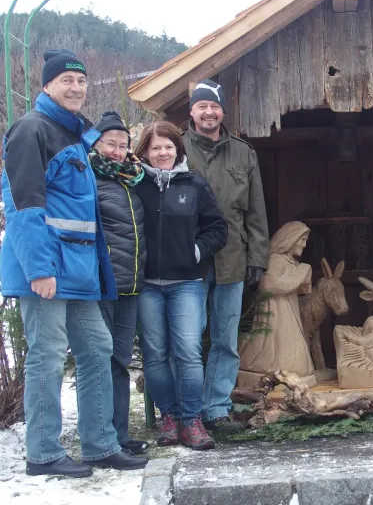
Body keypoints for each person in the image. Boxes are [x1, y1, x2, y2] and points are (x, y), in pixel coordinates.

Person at [1, 49, 148, 476]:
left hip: (78, 271)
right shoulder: (32, 130)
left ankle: (100, 444)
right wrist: (39, 270)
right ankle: (43, 453)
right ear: (47, 85)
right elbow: (23, 203)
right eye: (66, 80)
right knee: (46, 356)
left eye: (81, 81)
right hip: (47, 271)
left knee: (97, 348)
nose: (76, 88)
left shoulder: (73, 135)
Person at [134, 120, 228, 450]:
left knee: (188, 351)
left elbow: (217, 228)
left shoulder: (194, 186)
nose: (163, 153)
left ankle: (192, 421)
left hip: (186, 283)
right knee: (156, 355)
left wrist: (196, 251)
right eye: (156, 147)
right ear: (145, 150)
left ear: (179, 150)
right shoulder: (135, 185)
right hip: (146, 285)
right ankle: (170, 418)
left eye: (169, 147)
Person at [181, 80, 269, 431]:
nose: (209, 112)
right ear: (192, 111)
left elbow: (256, 210)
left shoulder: (243, 152)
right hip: (189, 260)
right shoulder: (178, 147)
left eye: (214, 106)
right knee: (188, 337)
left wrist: (258, 257)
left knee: (225, 338)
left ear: (222, 112)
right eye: (202, 106)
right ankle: (185, 412)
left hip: (233, 258)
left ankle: (216, 409)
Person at [89, 111, 149, 456]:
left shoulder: (132, 180)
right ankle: (100, 437)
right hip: (100, 284)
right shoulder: (87, 177)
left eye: (122, 144)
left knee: (119, 361)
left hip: (131, 285)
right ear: (95, 144)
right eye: (109, 143)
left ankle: (119, 436)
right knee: (98, 360)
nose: (116, 150)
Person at [239, 221, 314, 378]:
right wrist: (300, 274)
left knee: (298, 363)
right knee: (290, 362)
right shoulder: (274, 260)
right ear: (290, 239)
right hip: (276, 316)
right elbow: (270, 285)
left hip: (289, 313)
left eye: (305, 240)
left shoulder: (292, 263)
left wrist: (303, 277)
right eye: (302, 239)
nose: (304, 244)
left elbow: (303, 289)